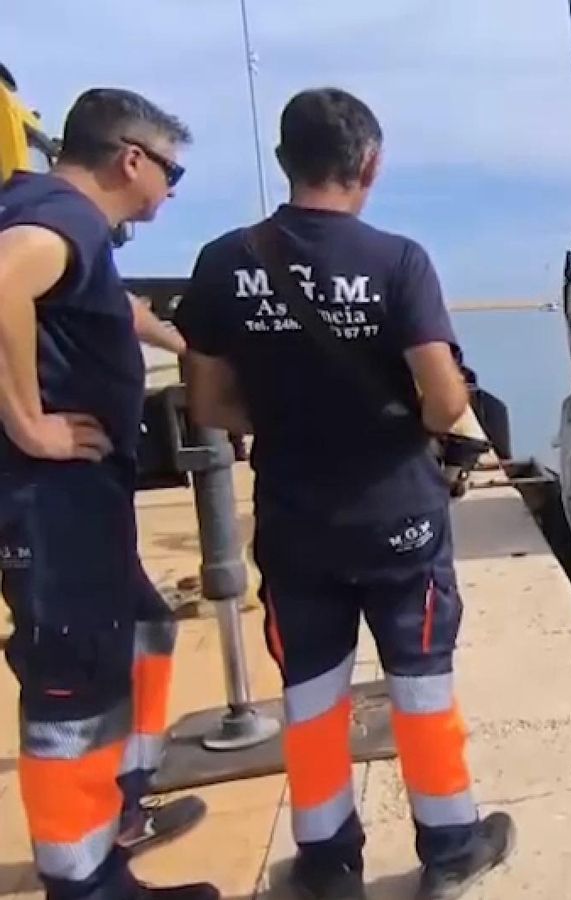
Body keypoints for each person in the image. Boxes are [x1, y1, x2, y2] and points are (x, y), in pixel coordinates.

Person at [174, 88, 513, 900]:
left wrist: (293, 414)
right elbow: (443, 402)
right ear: (371, 163)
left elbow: (211, 406)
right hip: (398, 515)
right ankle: (451, 844)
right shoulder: (399, 262)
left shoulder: (225, 262)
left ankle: (328, 863)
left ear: (287, 160)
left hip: (295, 519)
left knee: (313, 694)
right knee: (421, 686)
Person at [0, 88, 217, 899]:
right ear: (133, 159)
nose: (169, 189)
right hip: (48, 500)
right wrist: (31, 424)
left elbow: (92, 301)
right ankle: (84, 881)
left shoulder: (49, 210)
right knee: (70, 685)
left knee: (145, 629)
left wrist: (181, 338)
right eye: (172, 172)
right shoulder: (64, 215)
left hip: (79, 504)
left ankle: (121, 805)